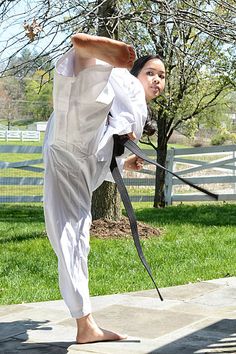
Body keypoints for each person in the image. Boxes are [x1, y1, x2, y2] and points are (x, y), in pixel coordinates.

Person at [43, 33, 165, 344]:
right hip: (74, 150)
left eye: (162, 76)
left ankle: (87, 58)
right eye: (150, 72)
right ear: (134, 73)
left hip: (78, 149)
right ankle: (86, 326)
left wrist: (123, 163)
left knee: (82, 103)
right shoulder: (132, 102)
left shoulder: (134, 110)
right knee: (72, 234)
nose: (157, 80)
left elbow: (101, 159)